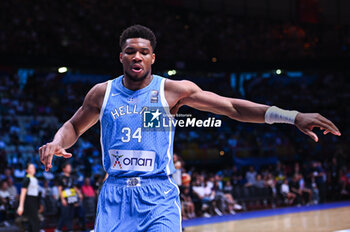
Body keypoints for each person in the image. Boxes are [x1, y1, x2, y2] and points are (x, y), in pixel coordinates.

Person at [39, 24, 341, 231]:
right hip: (115, 195)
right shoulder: (101, 93)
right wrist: (57, 141)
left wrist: (291, 116)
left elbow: (232, 107)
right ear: (121, 56)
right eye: (131, 51)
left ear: (153, 58)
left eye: (144, 52)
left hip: (157, 194)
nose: (137, 56)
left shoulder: (172, 91)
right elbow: (73, 126)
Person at [56, 162, 82, 232]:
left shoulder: (71, 177)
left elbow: (73, 187)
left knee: (71, 215)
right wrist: (62, 199)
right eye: (68, 167)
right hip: (64, 198)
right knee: (64, 215)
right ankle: (58, 229)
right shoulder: (61, 177)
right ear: (64, 169)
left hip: (72, 198)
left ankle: (70, 229)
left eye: (70, 167)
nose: (70, 168)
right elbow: (59, 189)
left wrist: (79, 193)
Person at [17, 163, 40, 232]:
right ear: (27, 170)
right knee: (34, 221)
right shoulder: (26, 179)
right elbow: (23, 193)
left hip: (35, 200)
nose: (33, 169)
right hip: (29, 201)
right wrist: (21, 206)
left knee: (33, 221)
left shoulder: (35, 179)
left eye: (34, 167)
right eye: (31, 168)